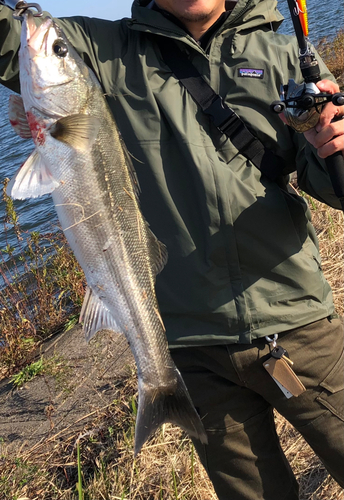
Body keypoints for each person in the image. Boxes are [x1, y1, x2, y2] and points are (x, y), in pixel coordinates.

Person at [0, 1, 343, 498]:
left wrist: (334, 147)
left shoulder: (286, 55)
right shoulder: (100, 50)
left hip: (298, 323)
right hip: (191, 353)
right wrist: (47, 118)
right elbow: (12, 41)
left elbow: (328, 185)